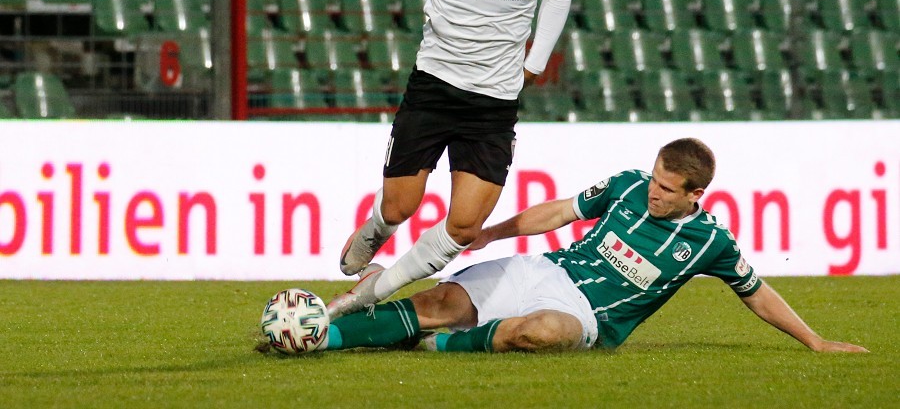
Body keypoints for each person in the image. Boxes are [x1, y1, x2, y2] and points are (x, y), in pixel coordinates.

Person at [228, 0, 574, 320]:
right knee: (398, 207)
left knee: (464, 227)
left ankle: (368, 294)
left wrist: (536, 59)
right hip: (434, 90)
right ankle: (376, 229)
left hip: (493, 104)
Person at [309, 138, 868, 353]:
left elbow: (756, 292)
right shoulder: (627, 185)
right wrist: (492, 233)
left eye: (666, 189)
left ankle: (439, 347)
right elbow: (558, 212)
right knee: (438, 302)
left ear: (694, 194)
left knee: (543, 333)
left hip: (585, 316)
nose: (653, 192)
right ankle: (318, 336)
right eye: (654, 179)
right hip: (544, 271)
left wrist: (815, 341)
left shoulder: (710, 242)